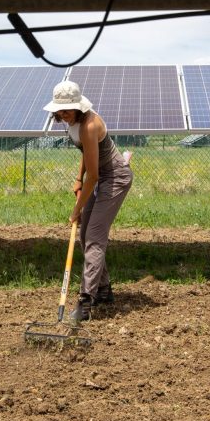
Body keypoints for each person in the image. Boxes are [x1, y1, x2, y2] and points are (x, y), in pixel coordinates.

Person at [43, 80, 133, 322]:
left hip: (114, 178)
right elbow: (87, 153)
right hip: (99, 176)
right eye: (59, 111)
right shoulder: (72, 123)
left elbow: (95, 174)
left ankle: (85, 302)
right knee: (84, 236)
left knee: (94, 236)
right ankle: (103, 290)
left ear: (79, 107)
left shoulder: (90, 124)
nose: (63, 114)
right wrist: (77, 178)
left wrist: (76, 208)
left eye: (67, 110)